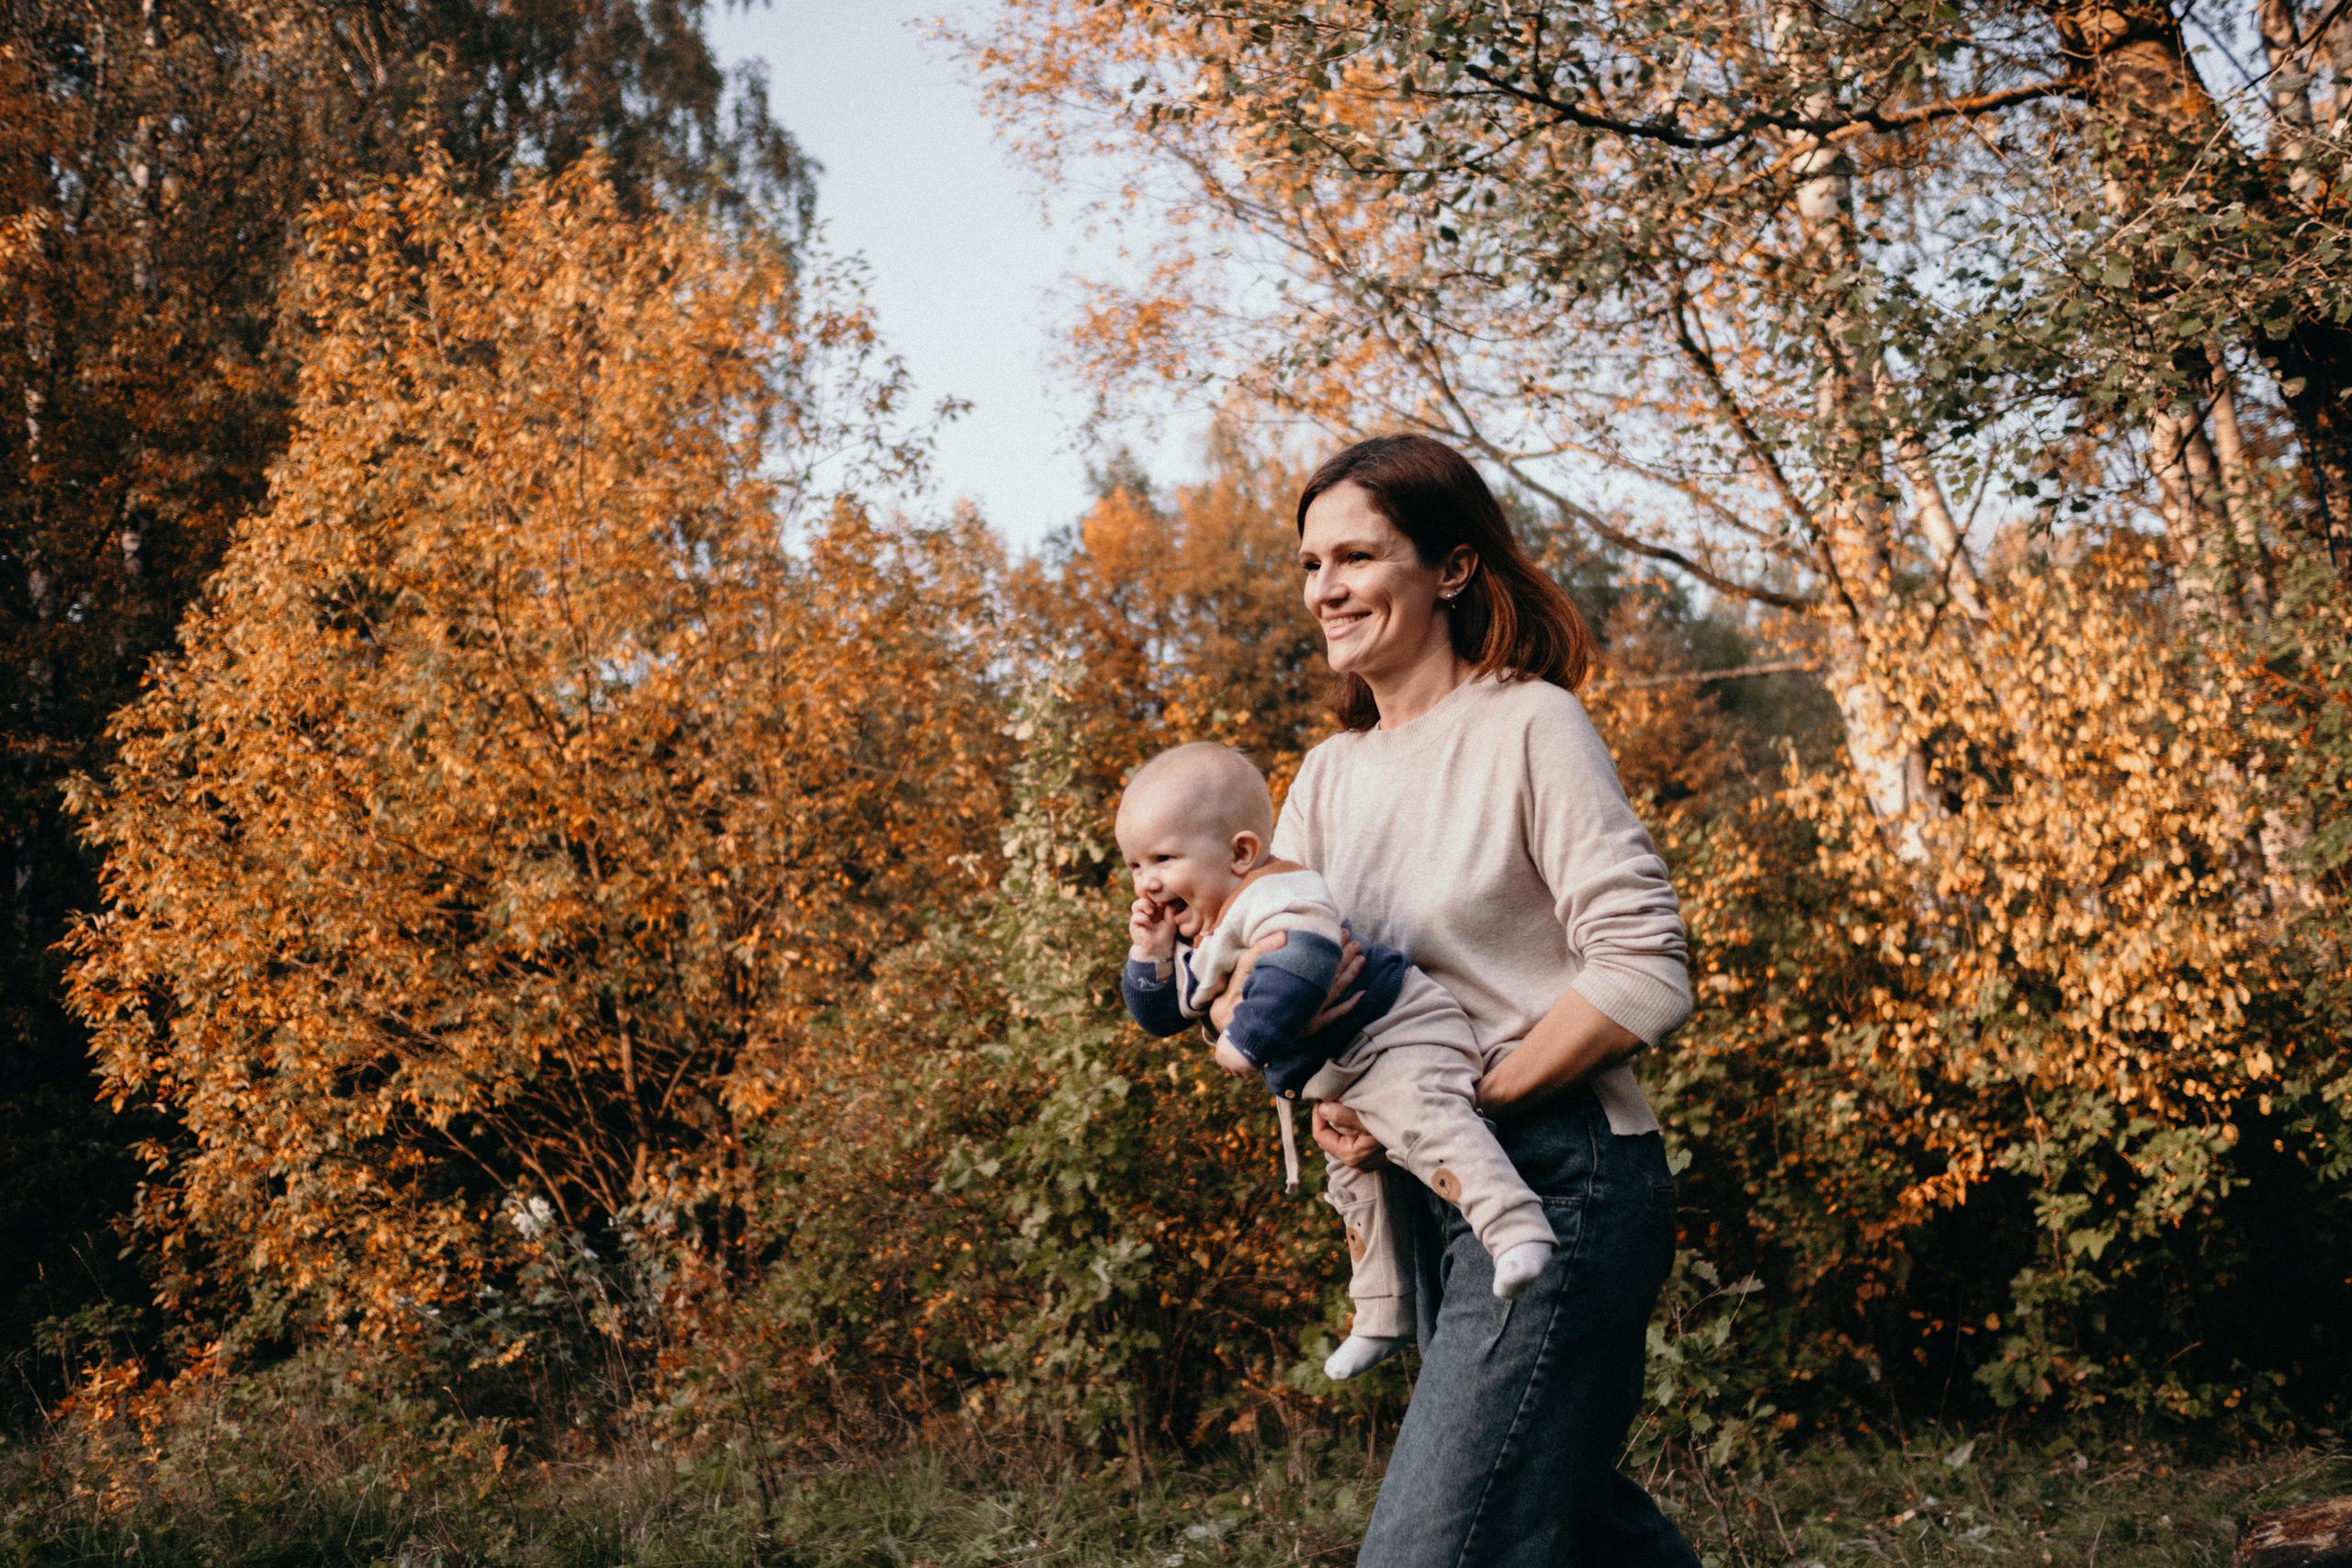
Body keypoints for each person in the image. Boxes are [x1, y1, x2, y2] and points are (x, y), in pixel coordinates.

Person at [1213, 434, 1702, 1566]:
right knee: (1564, 1512)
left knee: (1435, 1544)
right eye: (1308, 563)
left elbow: (1642, 970)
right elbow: (1280, 979)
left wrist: (1476, 1093)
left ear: (1450, 569)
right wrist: (1321, 1085)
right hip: (1433, 1187)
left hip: (1564, 1173)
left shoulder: (1529, 725)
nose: (1324, 589)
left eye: (1355, 557)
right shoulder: (1329, 776)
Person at [1112, 741, 1555, 1380]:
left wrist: (1243, 1043)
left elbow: (1304, 965)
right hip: (1350, 1071)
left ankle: (1517, 1228)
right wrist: (1151, 955)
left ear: (1239, 852)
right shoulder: (1204, 931)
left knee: (1426, 1122)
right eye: (1134, 865)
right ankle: (1382, 1312)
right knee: (1354, 1186)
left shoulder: (1277, 893)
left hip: (1401, 1033)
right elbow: (1162, 1016)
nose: (1146, 881)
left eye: (1163, 858)